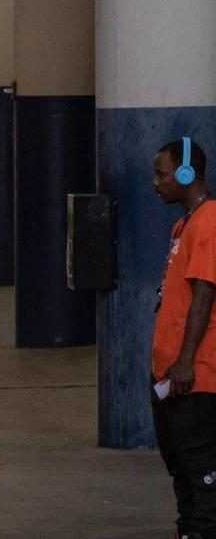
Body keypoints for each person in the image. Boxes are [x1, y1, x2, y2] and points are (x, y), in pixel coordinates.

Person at [151, 137, 216, 539]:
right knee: (180, 467)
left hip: (197, 375)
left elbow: (205, 294)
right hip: (170, 374)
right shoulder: (183, 224)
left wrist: (187, 360)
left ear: (187, 172)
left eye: (162, 173)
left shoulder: (209, 222)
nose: (155, 182)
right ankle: (188, 530)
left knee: (201, 469)